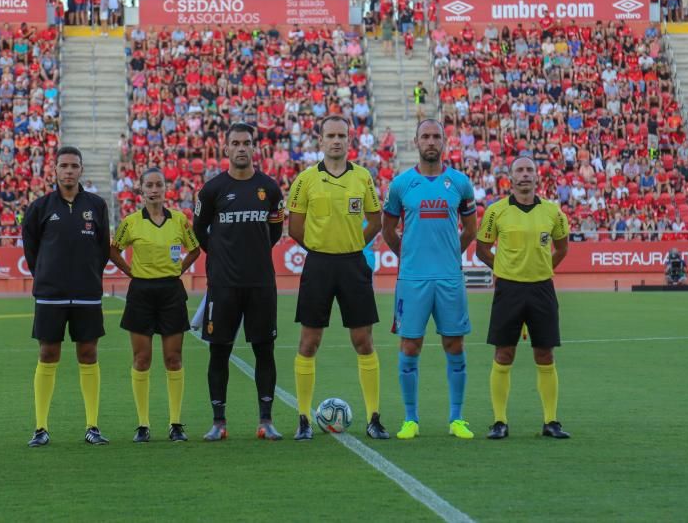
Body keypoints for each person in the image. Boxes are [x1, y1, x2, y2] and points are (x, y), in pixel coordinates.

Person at [288, 115, 389, 441]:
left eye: (341, 136)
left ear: (349, 140)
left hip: (352, 264)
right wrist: (319, 248)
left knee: (363, 341)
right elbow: (295, 227)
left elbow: (376, 219)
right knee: (309, 341)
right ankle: (303, 418)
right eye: (330, 135)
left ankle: (374, 417)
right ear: (320, 140)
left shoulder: (362, 177)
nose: (336, 140)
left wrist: (354, 244)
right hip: (318, 265)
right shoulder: (305, 180)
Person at [381, 120, 478, 440]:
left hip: (449, 278)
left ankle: (457, 418)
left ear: (444, 142)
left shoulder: (460, 183)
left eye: (437, 136)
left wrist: (450, 255)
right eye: (426, 137)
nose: (431, 142)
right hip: (412, 279)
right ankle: (411, 419)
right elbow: (388, 230)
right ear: (416, 142)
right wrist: (408, 256)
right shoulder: (401, 184)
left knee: (454, 344)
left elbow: (471, 230)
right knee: (410, 346)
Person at [193, 123, 285, 440]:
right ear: (227, 148)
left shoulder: (270, 189)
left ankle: (266, 420)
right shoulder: (212, 190)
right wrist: (218, 255)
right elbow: (198, 230)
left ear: (254, 146)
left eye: (247, 142)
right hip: (223, 285)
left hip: (261, 283)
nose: (242, 148)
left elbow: (274, 232)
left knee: (264, 350)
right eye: (236, 143)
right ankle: (219, 423)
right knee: (219, 352)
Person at [476, 156, 571, 440]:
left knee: (545, 353)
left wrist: (544, 269)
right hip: (509, 290)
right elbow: (482, 249)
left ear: (537, 176)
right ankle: (499, 421)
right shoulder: (496, 211)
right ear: (511, 177)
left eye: (530, 169)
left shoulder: (553, 212)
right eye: (520, 170)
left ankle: (551, 421)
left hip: (542, 288)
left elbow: (562, 248)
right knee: (504, 353)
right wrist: (503, 270)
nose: (525, 174)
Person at [22, 146, 111, 447]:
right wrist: (48, 276)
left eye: (74, 165)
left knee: (88, 354)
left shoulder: (96, 206)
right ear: (55, 170)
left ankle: (93, 426)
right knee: (48, 354)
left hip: (87, 294)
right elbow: (31, 250)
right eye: (64, 165)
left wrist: (88, 276)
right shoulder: (40, 207)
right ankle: (41, 428)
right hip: (51, 295)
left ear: (81, 170)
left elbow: (102, 248)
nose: (69, 170)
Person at [109, 167, 201, 443]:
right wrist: (129, 272)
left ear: (165, 188)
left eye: (158, 184)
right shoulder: (131, 221)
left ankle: (175, 423)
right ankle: (143, 424)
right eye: (148, 185)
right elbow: (113, 249)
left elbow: (195, 248)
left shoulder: (179, 221)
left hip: (171, 292)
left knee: (173, 359)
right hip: (142, 292)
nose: (153, 189)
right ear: (141, 189)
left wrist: (180, 270)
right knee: (142, 359)